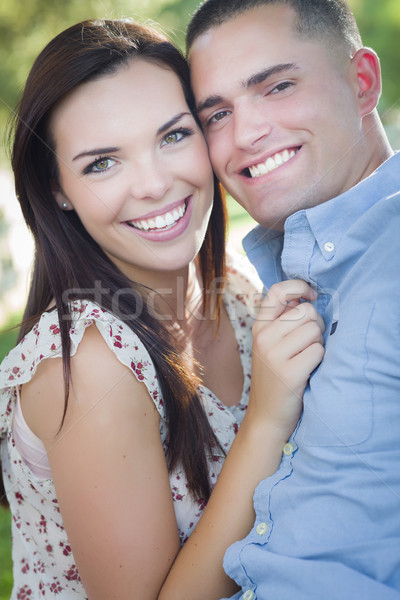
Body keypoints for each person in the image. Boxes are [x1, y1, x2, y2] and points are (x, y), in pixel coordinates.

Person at [0, 18, 325, 600]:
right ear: (57, 191)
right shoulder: (92, 363)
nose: (152, 184)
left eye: (173, 136)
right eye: (102, 162)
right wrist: (269, 418)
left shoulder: (237, 291)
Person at [186, 0, 400, 598]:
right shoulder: (273, 282)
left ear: (362, 83)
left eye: (278, 86)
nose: (246, 134)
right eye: (217, 114)